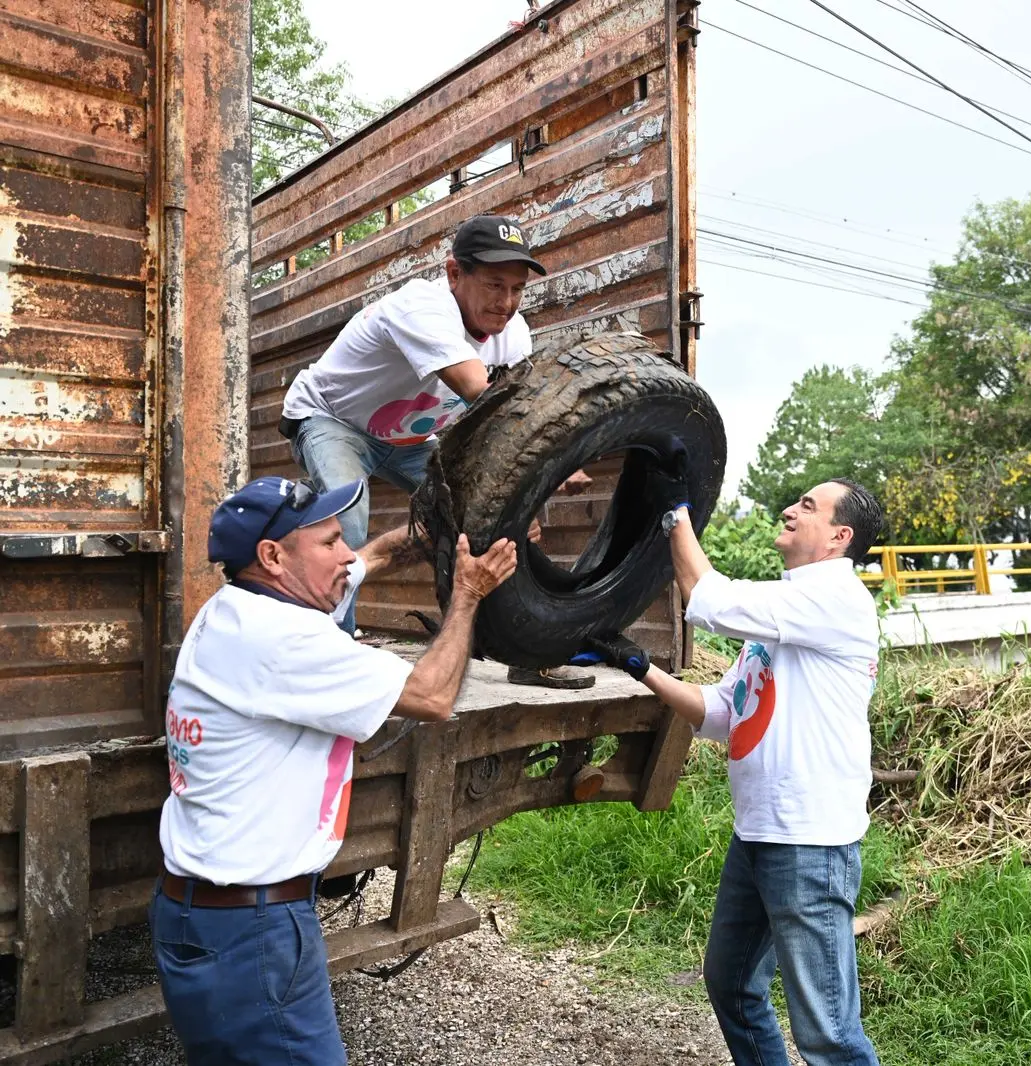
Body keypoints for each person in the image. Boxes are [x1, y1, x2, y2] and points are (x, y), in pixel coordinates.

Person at [150, 475, 517, 1064]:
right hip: (255, 934)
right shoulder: (284, 641)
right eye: (328, 542)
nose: (347, 553)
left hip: (204, 915)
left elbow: (367, 558)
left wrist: (432, 534)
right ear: (272, 557)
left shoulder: (236, 608)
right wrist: (468, 594)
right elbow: (431, 696)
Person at [582, 474, 887, 1066]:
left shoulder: (835, 599)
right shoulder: (787, 613)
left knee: (828, 1034)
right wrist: (636, 664)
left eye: (807, 505)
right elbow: (723, 712)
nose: (789, 510)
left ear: (839, 536)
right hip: (760, 835)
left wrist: (676, 515)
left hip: (809, 843)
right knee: (733, 986)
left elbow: (706, 594)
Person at [278, 213, 590, 686]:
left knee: (503, 514)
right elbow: (484, 397)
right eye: (493, 285)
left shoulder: (514, 333)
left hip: (407, 440)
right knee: (347, 515)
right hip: (331, 418)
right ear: (453, 274)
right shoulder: (420, 307)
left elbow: (519, 419)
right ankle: (329, 659)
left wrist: (530, 490)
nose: (506, 303)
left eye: (517, 289)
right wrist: (554, 457)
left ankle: (525, 652)